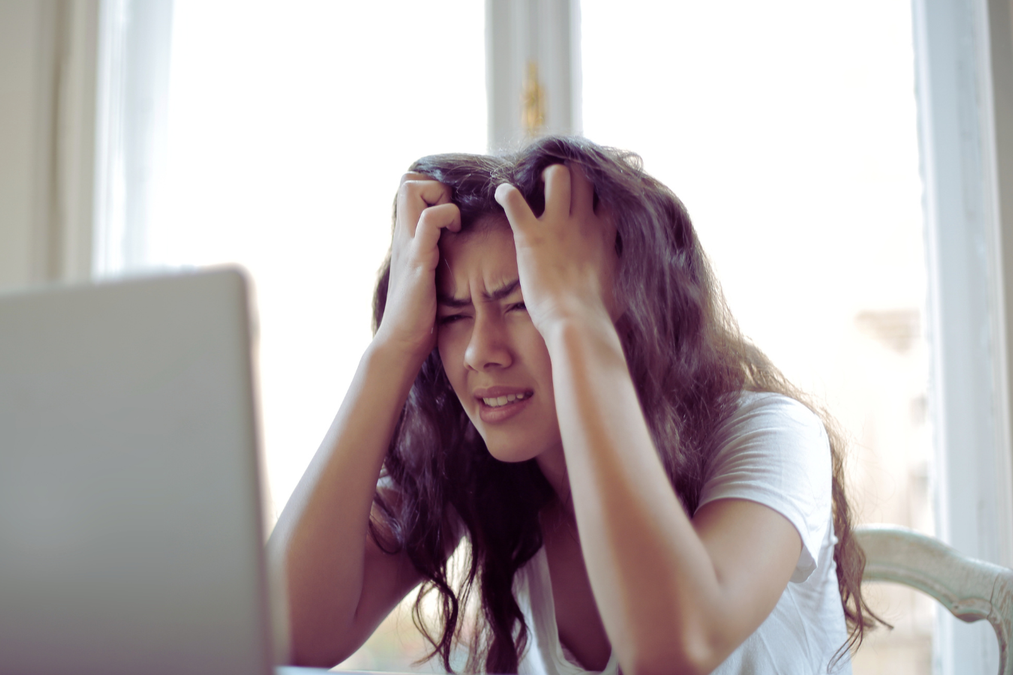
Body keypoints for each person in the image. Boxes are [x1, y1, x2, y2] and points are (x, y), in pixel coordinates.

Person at [268, 136, 878, 674]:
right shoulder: (482, 467)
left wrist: (577, 322)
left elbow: (673, 647)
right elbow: (290, 630)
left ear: (625, 307)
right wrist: (393, 346)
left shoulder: (773, 434)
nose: (480, 351)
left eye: (524, 304)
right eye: (452, 316)